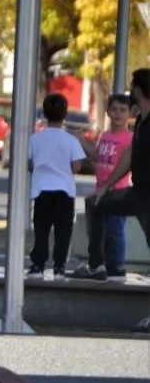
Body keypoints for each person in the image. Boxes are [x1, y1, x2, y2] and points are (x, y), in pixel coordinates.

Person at [69, 68, 150, 282]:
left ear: (138, 90)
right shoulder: (140, 121)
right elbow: (128, 156)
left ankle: (116, 267)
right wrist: (106, 186)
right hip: (138, 192)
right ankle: (97, 266)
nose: (130, 89)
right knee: (95, 203)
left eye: (132, 85)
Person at [25, 92, 87, 279]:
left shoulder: (35, 139)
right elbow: (77, 166)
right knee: (63, 230)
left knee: (41, 228)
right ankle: (59, 266)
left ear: (44, 113)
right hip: (64, 190)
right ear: (65, 114)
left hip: (42, 189)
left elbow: (30, 163)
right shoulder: (71, 140)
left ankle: (38, 264)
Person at [77, 93, 134, 280]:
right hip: (100, 190)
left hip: (118, 191)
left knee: (115, 230)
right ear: (108, 112)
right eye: (114, 109)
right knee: (99, 230)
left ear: (129, 113)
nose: (118, 114)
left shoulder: (129, 138)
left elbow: (127, 164)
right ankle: (98, 265)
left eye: (122, 110)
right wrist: (82, 141)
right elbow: (97, 156)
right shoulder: (105, 136)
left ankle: (117, 266)